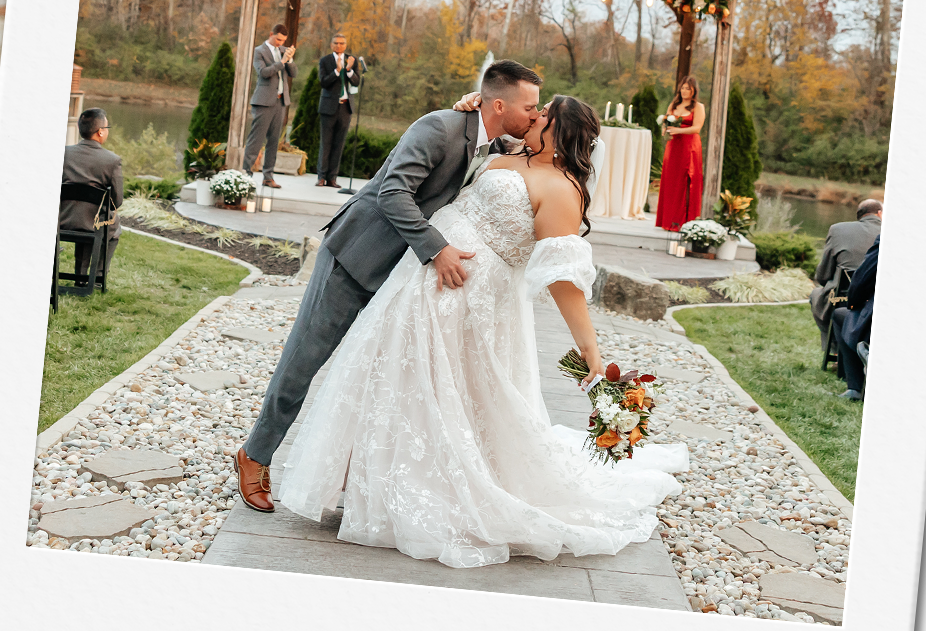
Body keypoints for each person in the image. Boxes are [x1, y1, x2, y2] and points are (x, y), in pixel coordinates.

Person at [272, 95, 687, 565]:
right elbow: (475, 137)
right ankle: (364, 476)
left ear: (559, 132)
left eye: (544, 114)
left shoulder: (562, 191)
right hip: (419, 275)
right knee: (388, 374)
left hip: (469, 299)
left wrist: (590, 348)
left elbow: (563, 279)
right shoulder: (511, 151)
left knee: (442, 391)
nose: (534, 116)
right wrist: (472, 106)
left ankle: (423, 487)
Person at [233, 59, 541, 512]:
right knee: (304, 359)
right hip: (357, 256)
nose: (534, 115)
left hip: (402, 278)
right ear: (499, 105)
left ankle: (350, 473)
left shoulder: (497, 142)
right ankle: (255, 454)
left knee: (374, 373)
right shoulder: (438, 128)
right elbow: (393, 193)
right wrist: (437, 249)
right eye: (530, 107)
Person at [61, 106, 125, 283]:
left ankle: (80, 276)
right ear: (100, 132)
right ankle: (97, 277)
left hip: (62, 220)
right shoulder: (112, 160)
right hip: (93, 223)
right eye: (107, 127)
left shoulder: (64, 153)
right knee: (113, 226)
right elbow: (117, 201)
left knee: (85, 215)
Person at [809, 198, 883, 331]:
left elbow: (823, 276)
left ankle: (830, 340)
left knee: (816, 294)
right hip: (875, 302)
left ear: (859, 215)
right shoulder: (890, 233)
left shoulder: (837, 229)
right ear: (879, 213)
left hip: (839, 299)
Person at [244, 23, 296, 184]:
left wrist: (290, 59)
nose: (281, 43)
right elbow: (263, 73)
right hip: (263, 102)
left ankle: (268, 176)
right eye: (278, 39)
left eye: (283, 40)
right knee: (256, 139)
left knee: (274, 140)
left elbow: (293, 73)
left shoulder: (283, 51)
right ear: (271, 34)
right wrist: (282, 62)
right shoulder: (259, 51)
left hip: (280, 101)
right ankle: (246, 174)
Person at [654, 73, 705, 231]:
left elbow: (697, 128)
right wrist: (665, 130)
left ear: (693, 91)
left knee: (686, 181)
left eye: (687, 89)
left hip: (689, 147)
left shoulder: (698, 107)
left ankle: (684, 221)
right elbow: (665, 122)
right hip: (673, 147)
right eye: (682, 88)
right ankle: (667, 220)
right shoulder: (674, 105)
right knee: (671, 181)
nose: (684, 91)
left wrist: (679, 130)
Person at [316, 35, 366, 186]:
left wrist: (349, 69)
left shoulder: (352, 60)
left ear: (345, 45)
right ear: (331, 44)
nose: (339, 45)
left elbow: (356, 82)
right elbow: (323, 82)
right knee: (326, 143)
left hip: (345, 108)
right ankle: (321, 177)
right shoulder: (325, 60)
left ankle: (332, 178)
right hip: (328, 107)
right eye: (336, 43)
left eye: (342, 43)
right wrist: (337, 71)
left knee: (339, 143)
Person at [835, 236, 879, 403]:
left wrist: (853, 303)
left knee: (841, 315)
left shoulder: (889, 238)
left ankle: (855, 387)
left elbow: (862, 280)